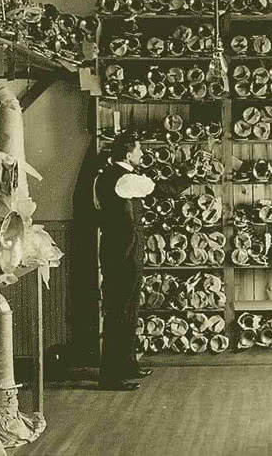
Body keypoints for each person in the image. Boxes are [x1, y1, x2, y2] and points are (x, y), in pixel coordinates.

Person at [93, 132, 155, 391]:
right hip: (124, 253)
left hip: (121, 250)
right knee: (119, 311)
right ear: (128, 155)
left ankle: (127, 364)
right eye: (139, 151)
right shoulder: (125, 178)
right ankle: (110, 376)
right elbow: (155, 188)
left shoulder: (106, 175)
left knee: (127, 309)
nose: (142, 155)